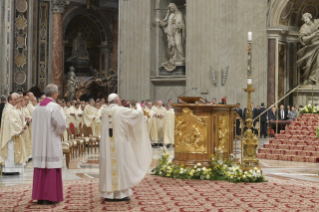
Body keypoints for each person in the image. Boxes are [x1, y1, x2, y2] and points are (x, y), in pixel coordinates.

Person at [99, 93, 152, 201]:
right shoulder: (121, 110)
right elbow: (137, 115)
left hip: (106, 146)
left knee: (109, 166)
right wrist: (138, 105)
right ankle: (119, 194)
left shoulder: (105, 112)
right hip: (120, 145)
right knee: (120, 166)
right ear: (118, 101)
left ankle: (108, 194)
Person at [32, 84, 67, 205]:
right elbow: (62, 125)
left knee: (41, 167)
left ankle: (40, 196)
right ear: (54, 94)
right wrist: (58, 132)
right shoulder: (54, 107)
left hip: (39, 143)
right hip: (50, 141)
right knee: (51, 167)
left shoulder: (37, 107)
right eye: (57, 93)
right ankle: (50, 196)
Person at [0, 93, 27, 173]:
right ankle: (10, 170)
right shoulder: (8, 109)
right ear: (10, 100)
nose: (17, 101)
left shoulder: (12, 108)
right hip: (10, 136)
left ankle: (14, 169)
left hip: (14, 134)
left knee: (14, 151)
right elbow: (11, 122)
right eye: (15, 99)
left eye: (17, 99)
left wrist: (22, 126)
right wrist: (19, 129)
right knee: (11, 151)